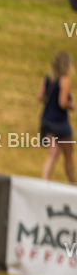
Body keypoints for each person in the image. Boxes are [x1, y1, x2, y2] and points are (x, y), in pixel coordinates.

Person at [39, 51, 76, 183]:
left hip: (46, 121)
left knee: (53, 153)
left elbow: (40, 97)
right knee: (68, 156)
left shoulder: (48, 78)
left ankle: (44, 182)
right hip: (60, 123)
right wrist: (71, 105)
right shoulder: (65, 80)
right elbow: (63, 102)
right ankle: (73, 185)